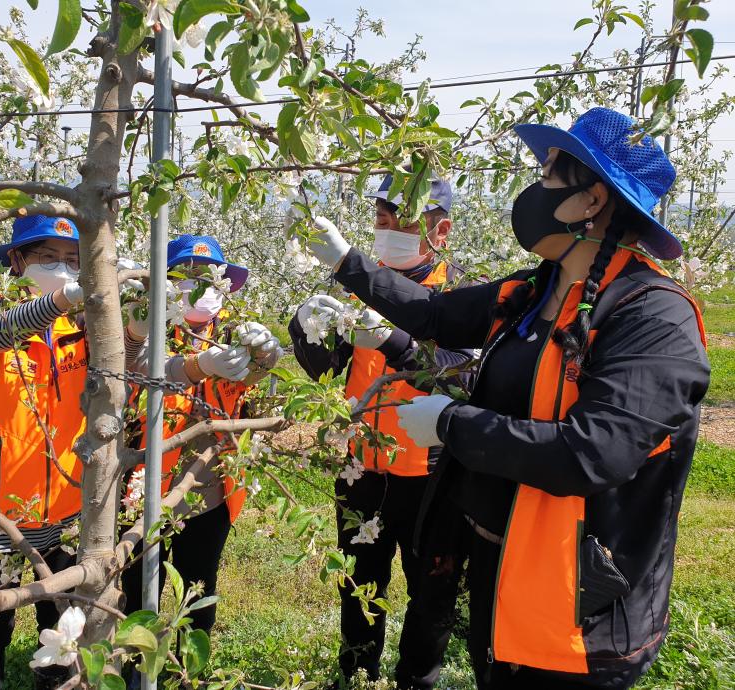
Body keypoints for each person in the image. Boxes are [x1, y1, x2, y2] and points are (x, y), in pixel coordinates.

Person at [303, 108, 709, 689]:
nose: (534, 191)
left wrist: (452, 425)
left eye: (548, 176)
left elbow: (593, 453)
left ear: (592, 200)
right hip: (503, 571)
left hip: (578, 610)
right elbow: (435, 314)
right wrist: (348, 262)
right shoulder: (534, 290)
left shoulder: (654, 318)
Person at [288, 178, 476, 689]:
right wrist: (306, 330)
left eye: (402, 216)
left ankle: (415, 681)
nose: (386, 224)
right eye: (381, 215)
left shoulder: (461, 293)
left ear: (441, 229)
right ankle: (357, 674)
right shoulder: (360, 285)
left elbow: (464, 377)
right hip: (362, 469)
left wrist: (395, 340)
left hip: (431, 475)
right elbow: (329, 371)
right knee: (358, 581)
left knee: (432, 591)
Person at [120, 234, 283, 637]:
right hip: (144, 486)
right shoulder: (144, 326)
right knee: (138, 587)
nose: (200, 287)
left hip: (210, 489)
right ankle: (137, 661)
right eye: (187, 277)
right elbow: (138, 372)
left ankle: (189, 663)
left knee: (199, 587)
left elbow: (254, 391)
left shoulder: (236, 334)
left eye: (211, 278)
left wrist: (266, 357)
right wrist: (200, 364)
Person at [0, 215, 88, 690]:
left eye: (72, 260)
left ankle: (54, 682)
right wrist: (62, 299)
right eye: (48, 257)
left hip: (64, 507)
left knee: (62, 618)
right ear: (15, 260)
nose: (62, 268)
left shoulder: (82, 327)